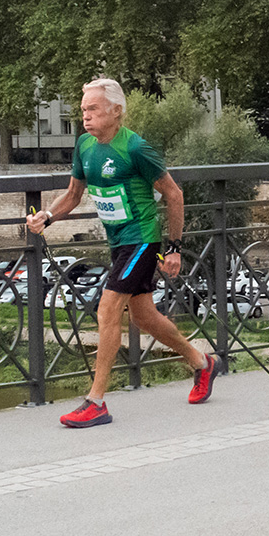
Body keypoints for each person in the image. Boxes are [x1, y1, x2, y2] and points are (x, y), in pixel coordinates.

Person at [26, 78, 222, 428]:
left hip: (142, 238)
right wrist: (48, 216)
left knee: (109, 307)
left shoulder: (135, 149)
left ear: (116, 111)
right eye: (83, 109)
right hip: (118, 242)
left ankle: (96, 401)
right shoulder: (85, 145)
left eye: (93, 109)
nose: (85, 116)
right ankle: (202, 362)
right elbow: (73, 195)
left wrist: (174, 248)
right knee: (143, 317)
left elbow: (174, 194)